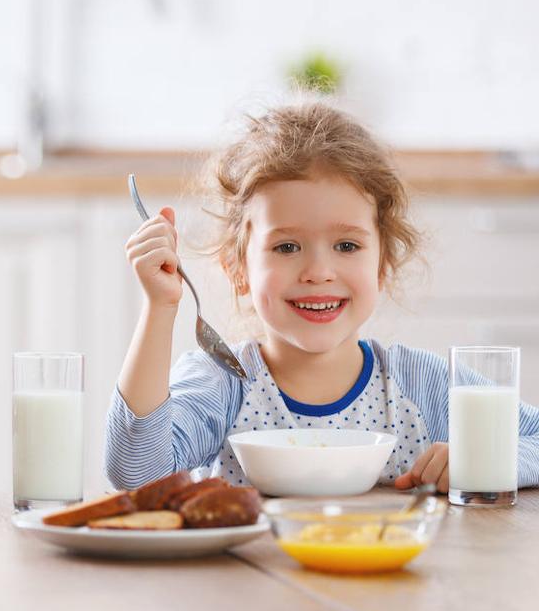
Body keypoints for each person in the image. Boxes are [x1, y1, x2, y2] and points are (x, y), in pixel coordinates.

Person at [105, 101, 539, 493]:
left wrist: (486, 457)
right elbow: (138, 474)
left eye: (347, 246)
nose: (318, 273)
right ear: (238, 269)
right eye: (286, 247)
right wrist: (160, 309)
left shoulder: (420, 385)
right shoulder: (222, 384)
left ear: (382, 265)